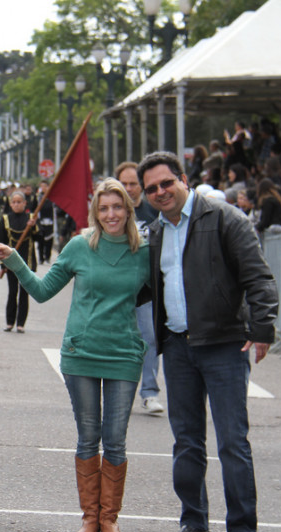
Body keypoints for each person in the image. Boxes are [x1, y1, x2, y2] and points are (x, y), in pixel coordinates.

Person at [0, 179, 149, 532]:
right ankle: (90, 519)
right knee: (87, 439)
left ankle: (110, 520)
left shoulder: (144, 251)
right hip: (81, 353)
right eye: (104, 208)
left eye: (118, 207)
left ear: (128, 210)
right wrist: (15, 261)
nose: (111, 214)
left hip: (124, 354)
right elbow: (43, 291)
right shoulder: (80, 246)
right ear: (95, 212)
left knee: (115, 441)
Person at [139, 151, 277, 532]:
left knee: (233, 442)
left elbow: (258, 274)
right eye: (151, 189)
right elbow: (148, 287)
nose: (160, 192)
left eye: (167, 183)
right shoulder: (155, 232)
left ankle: (241, 530)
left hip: (224, 344)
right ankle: (193, 524)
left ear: (184, 178)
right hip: (179, 347)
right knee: (186, 442)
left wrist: (263, 326)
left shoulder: (225, 218)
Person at [116, 161, 163, 415]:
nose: (129, 188)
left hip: (146, 291)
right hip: (116, 289)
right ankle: (115, 392)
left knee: (149, 339)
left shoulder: (153, 212)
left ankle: (150, 392)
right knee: (116, 341)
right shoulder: (111, 214)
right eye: (124, 183)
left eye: (134, 183)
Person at [0, 191, 39, 333]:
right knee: (12, 292)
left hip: (27, 262)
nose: (16, 204)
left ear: (25, 203)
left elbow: (40, 238)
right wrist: (3, 265)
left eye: (19, 202)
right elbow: (0, 242)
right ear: (10, 204)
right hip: (11, 263)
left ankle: (21, 324)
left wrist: (33, 227)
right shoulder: (5, 218)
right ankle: (9, 322)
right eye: (14, 202)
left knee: (24, 292)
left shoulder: (31, 218)